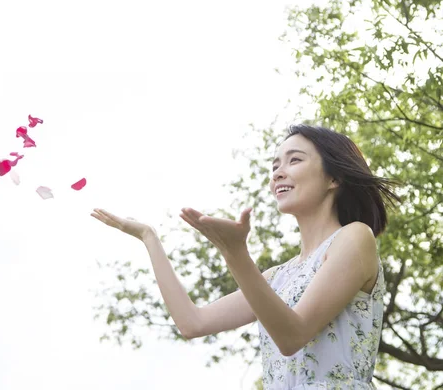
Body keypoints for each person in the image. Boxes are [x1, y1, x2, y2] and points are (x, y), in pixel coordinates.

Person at [91, 124, 402, 389]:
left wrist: (235, 253)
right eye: (275, 166)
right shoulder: (276, 277)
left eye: (294, 160)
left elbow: (292, 335)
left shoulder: (355, 236)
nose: (279, 172)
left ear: (334, 178)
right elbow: (192, 322)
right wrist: (150, 238)